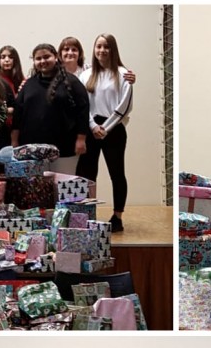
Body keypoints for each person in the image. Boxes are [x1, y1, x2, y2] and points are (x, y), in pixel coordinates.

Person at [77, 34, 133, 233]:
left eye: (106, 47)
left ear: (113, 49)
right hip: (91, 129)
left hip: (114, 130)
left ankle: (117, 217)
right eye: (98, 46)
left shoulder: (124, 74)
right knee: (87, 174)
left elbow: (125, 105)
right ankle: (87, 214)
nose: (102, 50)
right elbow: (82, 104)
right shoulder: (86, 75)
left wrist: (106, 128)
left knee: (117, 173)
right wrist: (93, 126)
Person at [11, 43, 89, 175]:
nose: (43, 61)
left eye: (46, 57)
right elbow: (18, 114)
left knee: (62, 185)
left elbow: (83, 111)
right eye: (38, 58)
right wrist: (14, 141)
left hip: (65, 147)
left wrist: (81, 140)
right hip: (32, 150)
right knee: (36, 186)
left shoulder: (72, 82)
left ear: (56, 57)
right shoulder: (28, 84)